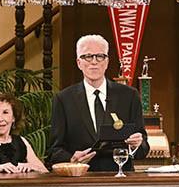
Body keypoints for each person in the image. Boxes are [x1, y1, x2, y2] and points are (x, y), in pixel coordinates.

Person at [47, 34, 149, 171]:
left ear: (106, 62)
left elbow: (143, 149)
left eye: (100, 56)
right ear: (79, 63)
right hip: (81, 181)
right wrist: (71, 159)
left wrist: (136, 145)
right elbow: (54, 151)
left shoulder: (129, 96)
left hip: (120, 181)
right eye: (87, 57)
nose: (94, 62)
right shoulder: (64, 99)